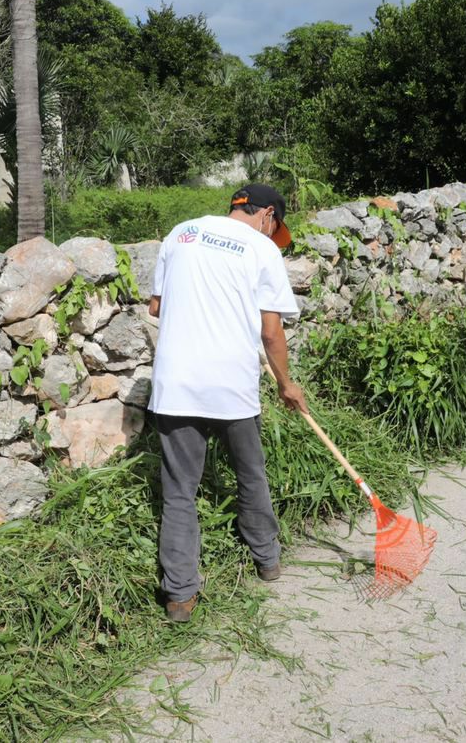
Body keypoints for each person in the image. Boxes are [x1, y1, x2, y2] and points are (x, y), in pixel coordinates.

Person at [148, 183, 307, 624]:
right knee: (250, 473)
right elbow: (271, 333)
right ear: (268, 215)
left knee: (179, 491)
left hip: (176, 383)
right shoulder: (261, 249)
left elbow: (156, 307)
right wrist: (286, 383)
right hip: (231, 385)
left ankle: (180, 596)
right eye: (275, 227)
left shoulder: (180, 234)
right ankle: (267, 560)